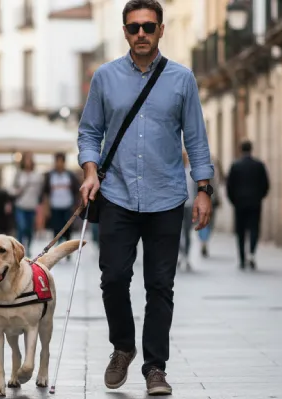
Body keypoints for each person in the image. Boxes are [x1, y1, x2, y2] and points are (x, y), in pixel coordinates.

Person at [76, 0, 214, 395]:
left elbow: (197, 140)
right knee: (114, 278)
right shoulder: (104, 77)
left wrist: (203, 190)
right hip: (117, 193)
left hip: (167, 196)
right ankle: (123, 346)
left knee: (160, 285)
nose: (141, 34)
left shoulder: (181, 79)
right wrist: (90, 170)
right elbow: (89, 132)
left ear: (161, 30)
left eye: (148, 27)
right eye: (134, 27)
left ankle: (156, 367)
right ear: (124, 31)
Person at [226, 140, 270, 270]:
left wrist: (234, 201)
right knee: (254, 228)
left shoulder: (235, 166)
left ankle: (242, 258)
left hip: (239, 204)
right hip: (255, 203)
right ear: (251, 149)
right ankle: (251, 253)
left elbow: (229, 187)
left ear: (240, 149)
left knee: (240, 232)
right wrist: (259, 197)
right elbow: (266, 185)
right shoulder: (259, 165)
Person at [41, 152, 81, 257]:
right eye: (57, 161)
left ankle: (68, 251)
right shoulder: (50, 175)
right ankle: (58, 251)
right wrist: (46, 208)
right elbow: (45, 193)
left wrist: (75, 207)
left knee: (68, 230)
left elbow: (77, 191)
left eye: (60, 161)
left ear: (64, 162)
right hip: (54, 207)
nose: (58, 164)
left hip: (67, 207)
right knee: (56, 229)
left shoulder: (70, 175)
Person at [11, 152, 42, 250]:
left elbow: (40, 191)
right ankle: (20, 248)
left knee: (30, 229)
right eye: (26, 159)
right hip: (20, 205)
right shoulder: (19, 174)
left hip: (32, 206)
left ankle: (28, 247)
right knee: (21, 227)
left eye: (30, 159)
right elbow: (12, 189)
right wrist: (17, 191)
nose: (28, 162)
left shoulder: (37, 175)